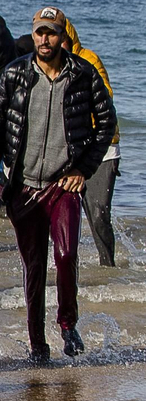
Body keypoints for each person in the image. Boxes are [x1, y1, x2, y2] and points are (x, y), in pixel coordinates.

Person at [0, 6, 116, 361]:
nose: (45, 39)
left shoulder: (83, 74)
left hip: (62, 185)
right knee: (33, 268)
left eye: (51, 32)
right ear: (32, 35)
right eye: (39, 32)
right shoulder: (14, 74)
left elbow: (106, 123)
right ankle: (38, 345)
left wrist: (83, 168)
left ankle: (68, 324)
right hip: (22, 186)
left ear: (62, 35)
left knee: (66, 255)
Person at [60, 15, 121, 267]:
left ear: (69, 38)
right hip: (67, 150)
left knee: (97, 213)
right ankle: (65, 266)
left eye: (60, 38)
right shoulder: (45, 67)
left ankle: (108, 267)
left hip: (103, 149)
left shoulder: (88, 59)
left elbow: (106, 97)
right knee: (64, 215)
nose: (54, 44)